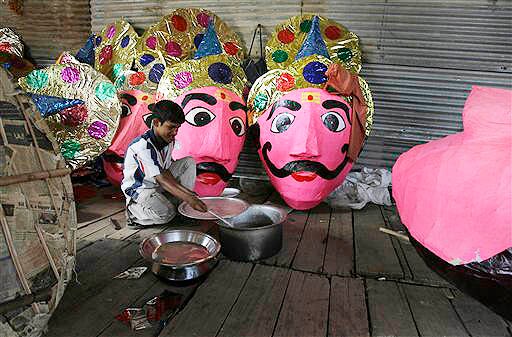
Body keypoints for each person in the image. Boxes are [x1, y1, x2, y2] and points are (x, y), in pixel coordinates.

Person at [121, 99, 208, 226]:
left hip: (157, 184)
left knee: (188, 162)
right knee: (167, 214)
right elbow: (162, 178)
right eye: (171, 127)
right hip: (141, 189)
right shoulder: (142, 147)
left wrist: (188, 194)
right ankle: (134, 213)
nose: (175, 132)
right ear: (156, 123)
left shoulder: (168, 140)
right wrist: (190, 198)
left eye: (177, 128)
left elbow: (165, 171)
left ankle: (182, 208)